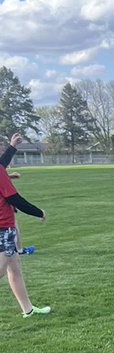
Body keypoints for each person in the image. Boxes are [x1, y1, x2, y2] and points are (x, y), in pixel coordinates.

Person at [0, 133, 50, 318]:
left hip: (4, 227)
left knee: (14, 268)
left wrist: (13, 147)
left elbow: (2, 163)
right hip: (3, 227)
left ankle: (27, 310)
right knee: (2, 268)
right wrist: (39, 212)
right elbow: (14, 199)